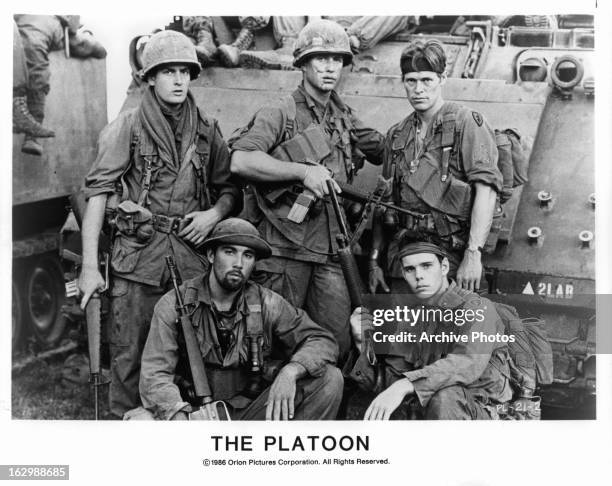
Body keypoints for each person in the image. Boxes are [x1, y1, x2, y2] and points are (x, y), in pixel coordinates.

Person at [77, 30, 239, 419]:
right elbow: (96, 194)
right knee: (130, 353)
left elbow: (230, 191)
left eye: (185, 71)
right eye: (168, 72)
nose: (179, 80)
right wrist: (87, 267)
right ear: (150, 77)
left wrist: (214, 214)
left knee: (190, 355)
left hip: (189, 256)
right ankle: (123, 427)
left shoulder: (206, 128)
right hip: (139, 257)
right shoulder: (130, 126)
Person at [229, 19, 385, 361]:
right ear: (302, 63)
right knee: (272, 345)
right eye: (320, 58)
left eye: (336, 60)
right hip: (285, 251)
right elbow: (241, 161)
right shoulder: (280, 112)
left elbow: (379, 147)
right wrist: (302, 171)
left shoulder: (342, 115)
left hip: (329, 250)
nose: (330, 67)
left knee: (338, 343)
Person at [139, 218, 343, 420]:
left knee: (330, 379)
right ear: (211, 255)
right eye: (229, 252)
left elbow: (321, 340)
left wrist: (291, 371)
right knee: (139, 422)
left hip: (249, 410)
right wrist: (178, 416)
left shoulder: (267, 303)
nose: (238, 264)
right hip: (194, 413)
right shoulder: (174, 304)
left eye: (248, 255)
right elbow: (155, 375)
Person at [368, 39, 503, 295]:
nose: (419, 89)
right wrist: (375, 260)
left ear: (442, 79)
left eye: (427, 80)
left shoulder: (467, 123)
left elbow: (486, 190)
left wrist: (473, 255)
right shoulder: (397, 134)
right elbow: (383, 204)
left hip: (449, 256)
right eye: (411, 81)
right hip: (406, 257)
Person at [349, 240, 512, 420]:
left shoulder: (477, 308)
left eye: (426, 266)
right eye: (410, 269)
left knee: (445, 397)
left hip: (483, 412)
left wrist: (407, 384)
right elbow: (389, 383)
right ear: (403, 274)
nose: (418, 275)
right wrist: (361, 344)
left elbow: (467, 362)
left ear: (444, 267)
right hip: (437, 415)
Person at [14, 14, 106, 155]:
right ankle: (32, 135)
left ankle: (31, 133)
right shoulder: (54, 26)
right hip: (38, 30)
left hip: (26, 26)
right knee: (39, 74)